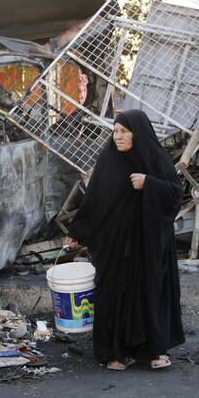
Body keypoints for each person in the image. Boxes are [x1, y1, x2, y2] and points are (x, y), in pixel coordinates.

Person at [64, 109, 185, 371]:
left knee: (149, 291)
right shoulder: (108, 161)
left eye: (124, 131)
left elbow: (176, 194)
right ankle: (114, 353)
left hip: (149, 244)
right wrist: (77, 231)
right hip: (114, 243)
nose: (117, 137)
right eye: (115, 131)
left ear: (137, 134)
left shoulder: (156, 160)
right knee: (112, 293)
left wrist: (150, 183)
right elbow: (94, 199)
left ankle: (154, 350)